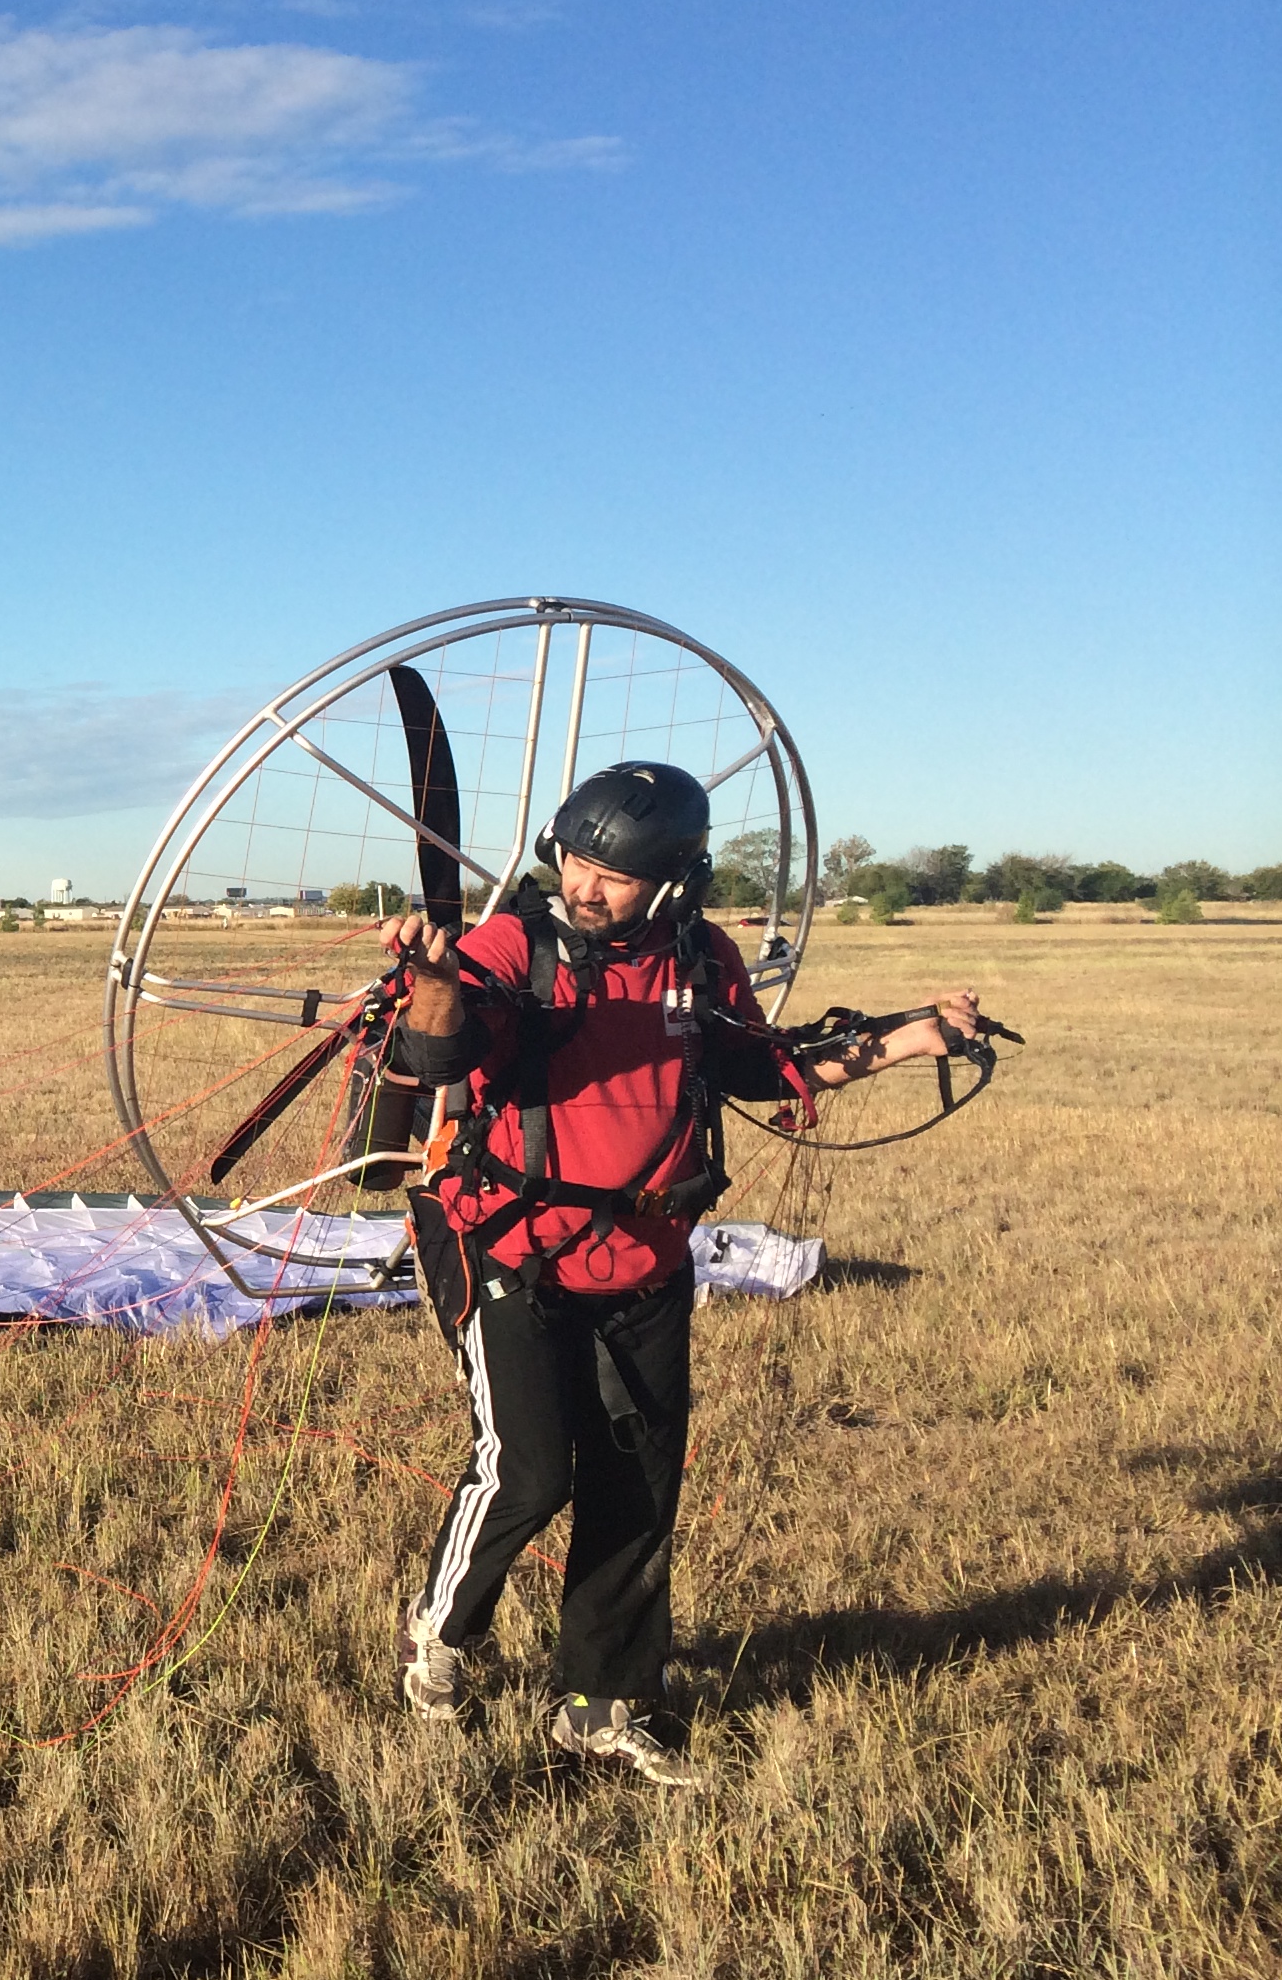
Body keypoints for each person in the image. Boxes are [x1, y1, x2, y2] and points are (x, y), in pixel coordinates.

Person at [379, 762, 995, 1787]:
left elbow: (766, 1066)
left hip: (650, 1261)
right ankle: (441, 1632)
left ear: (670, 881)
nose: (585, 884)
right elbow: (440, 1057)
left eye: (612, 873)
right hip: (511, 1245)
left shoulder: (700, 960)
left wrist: (910, 1036)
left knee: (637, 1487)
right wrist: (435, 981)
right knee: (530, 1468)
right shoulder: (513, 947)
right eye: (575, 860)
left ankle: (602, 1701)